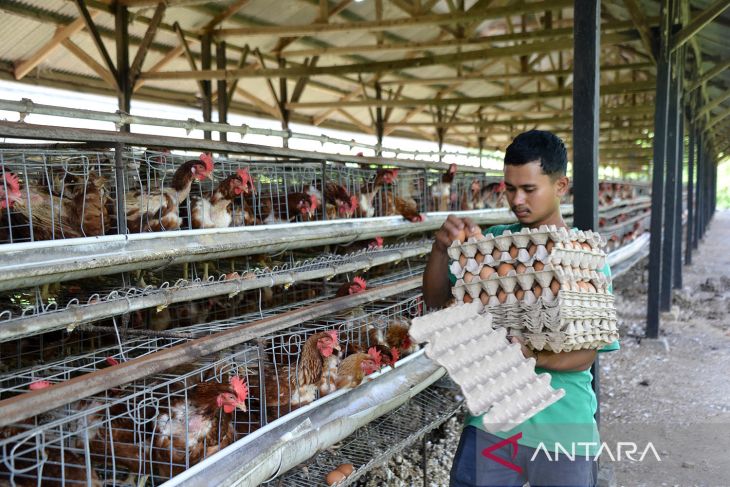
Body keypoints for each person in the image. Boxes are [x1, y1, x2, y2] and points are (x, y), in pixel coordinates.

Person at [423, 130, 620, 487]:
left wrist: (532, 355)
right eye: (510, 188)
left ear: (561, 186)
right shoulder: (494, 243)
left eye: (529, 189)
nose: (517, 199)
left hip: (562, 425)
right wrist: (440, 251)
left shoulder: (583, 257)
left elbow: (586, 356)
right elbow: (437, 304)